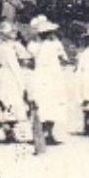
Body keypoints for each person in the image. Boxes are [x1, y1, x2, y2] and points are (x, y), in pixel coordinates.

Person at [26, 15, 71, 146]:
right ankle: (48, 132)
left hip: (41, 76)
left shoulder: (33, 45)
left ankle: (44, 132)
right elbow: (64, 58)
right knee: (52, 102)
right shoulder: (55, 44)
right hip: (53, 76)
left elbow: (29, 62)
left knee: (44, 102)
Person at [0, 22, 29, 143]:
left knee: (9, 99)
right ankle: (9, 130)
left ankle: (9, 129)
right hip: (8, 75)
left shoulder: (2, 46)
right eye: (12, 32)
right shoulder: (8, 46)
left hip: (6, 74)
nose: (14, 34)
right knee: (9, 99)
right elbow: (24, 59)